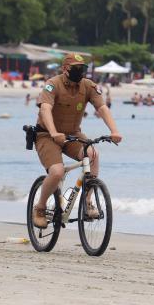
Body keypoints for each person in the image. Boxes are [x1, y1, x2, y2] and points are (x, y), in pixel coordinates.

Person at [31, 53, 123, 229]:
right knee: (57, 172)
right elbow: (45, 109)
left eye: (83, 68)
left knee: (93, 154)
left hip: (73, 134)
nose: (80, 72)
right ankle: (40, 207)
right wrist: (53, 132)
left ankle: (88, 202)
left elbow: (102, 108)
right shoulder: (53, 84)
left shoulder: (87, 86)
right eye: (76, 68)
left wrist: (114, 131)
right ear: (65, 69)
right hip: (47, 135)